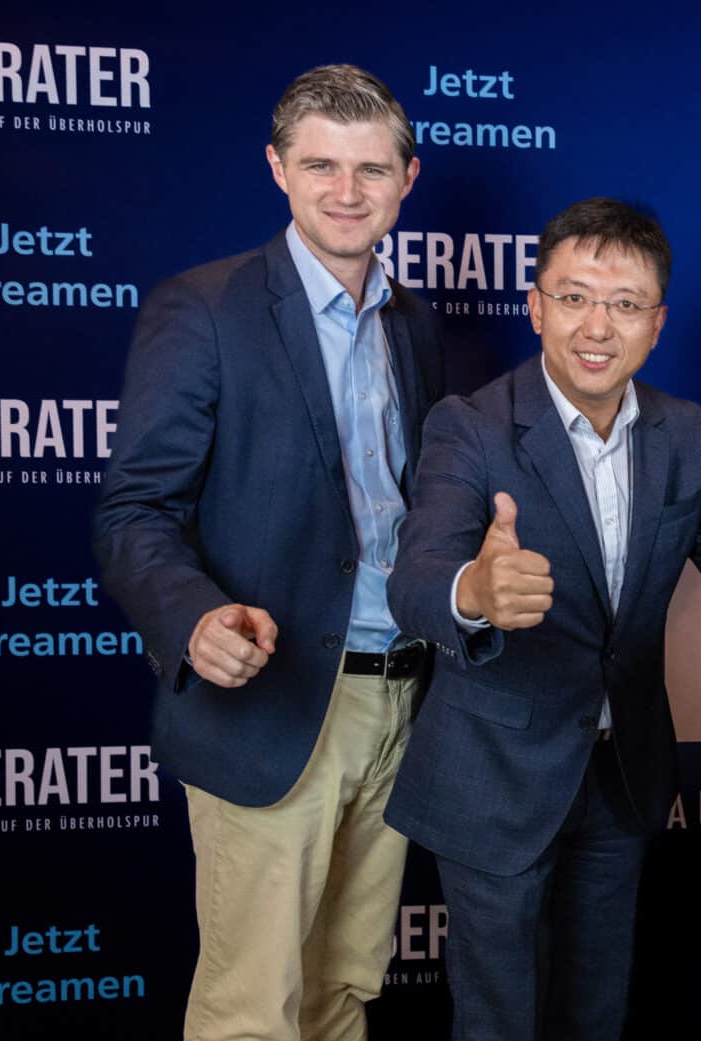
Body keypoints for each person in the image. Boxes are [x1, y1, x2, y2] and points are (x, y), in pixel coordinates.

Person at [382, 197, 701, 1041]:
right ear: (536, 306)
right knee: (498, 1021)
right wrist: (473, 591)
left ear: (655, 324)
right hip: (494, 775)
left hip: (620, 778)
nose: (597, 325)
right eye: (575, 296)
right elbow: (417, 578)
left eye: (624, 305)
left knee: (596, 1012)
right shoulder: (470, 427)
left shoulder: (686, 434)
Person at [93, 65, 443, 1040]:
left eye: (370, 169)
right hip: (276, 705)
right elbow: (134, 511)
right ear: (276, 170)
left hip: (399, 701)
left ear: (406, 179)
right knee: (253, 1010)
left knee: (346, 990)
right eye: (320, 165)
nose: (345, 190)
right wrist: (193, 615)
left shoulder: (414, 325)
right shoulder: (203, 308)